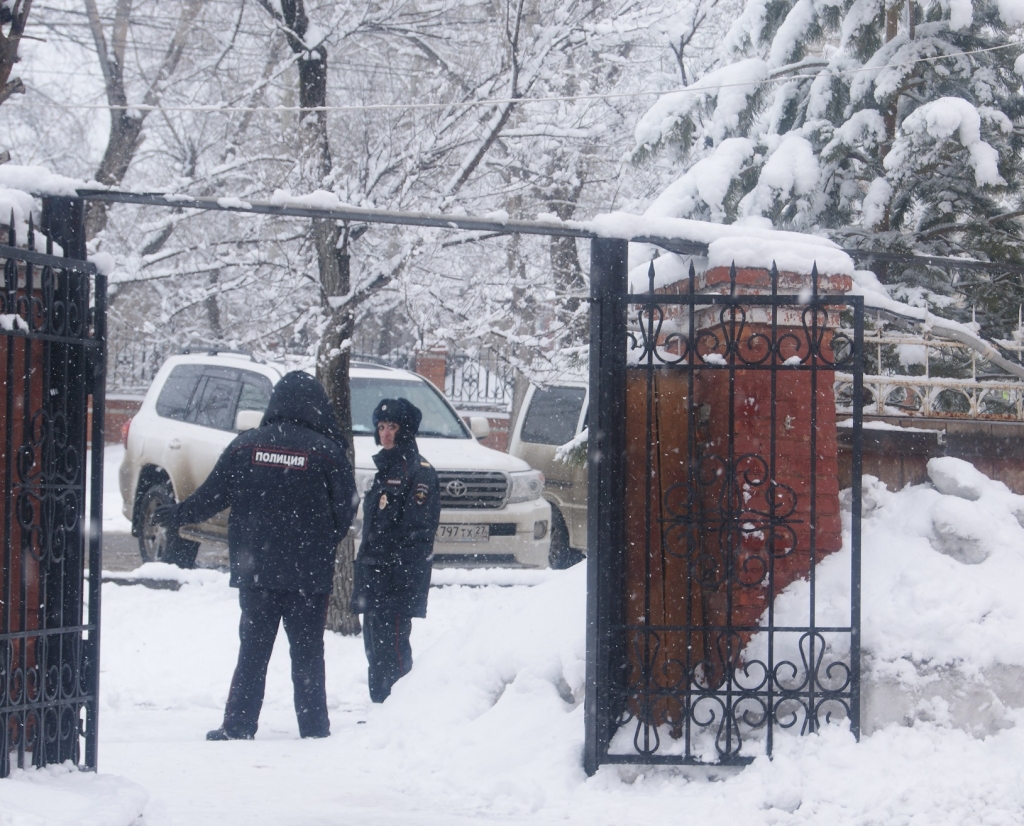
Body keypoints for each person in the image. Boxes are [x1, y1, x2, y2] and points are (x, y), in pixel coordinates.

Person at [154, 371, 358, 740]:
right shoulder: (327, 452)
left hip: (257, 572)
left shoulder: (246, 446)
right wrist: (320, 541)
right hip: (308, 576)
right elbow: (345, 511)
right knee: (308, 653)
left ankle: (238, 724)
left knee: (253, 650)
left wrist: (178, 514)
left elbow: (212, 496)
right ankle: (314, 727)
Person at [351, 397, 440, 702]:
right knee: (374, 646)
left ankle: (398, 710)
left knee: (394, 648)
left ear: (405, 430)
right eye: (381, 427)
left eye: (392, 427)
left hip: (397, 579)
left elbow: (418, 531)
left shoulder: (419, 472)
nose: (385, 433)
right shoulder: (384, 469)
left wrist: (397, 572)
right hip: (376, 575)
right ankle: (380, 706)